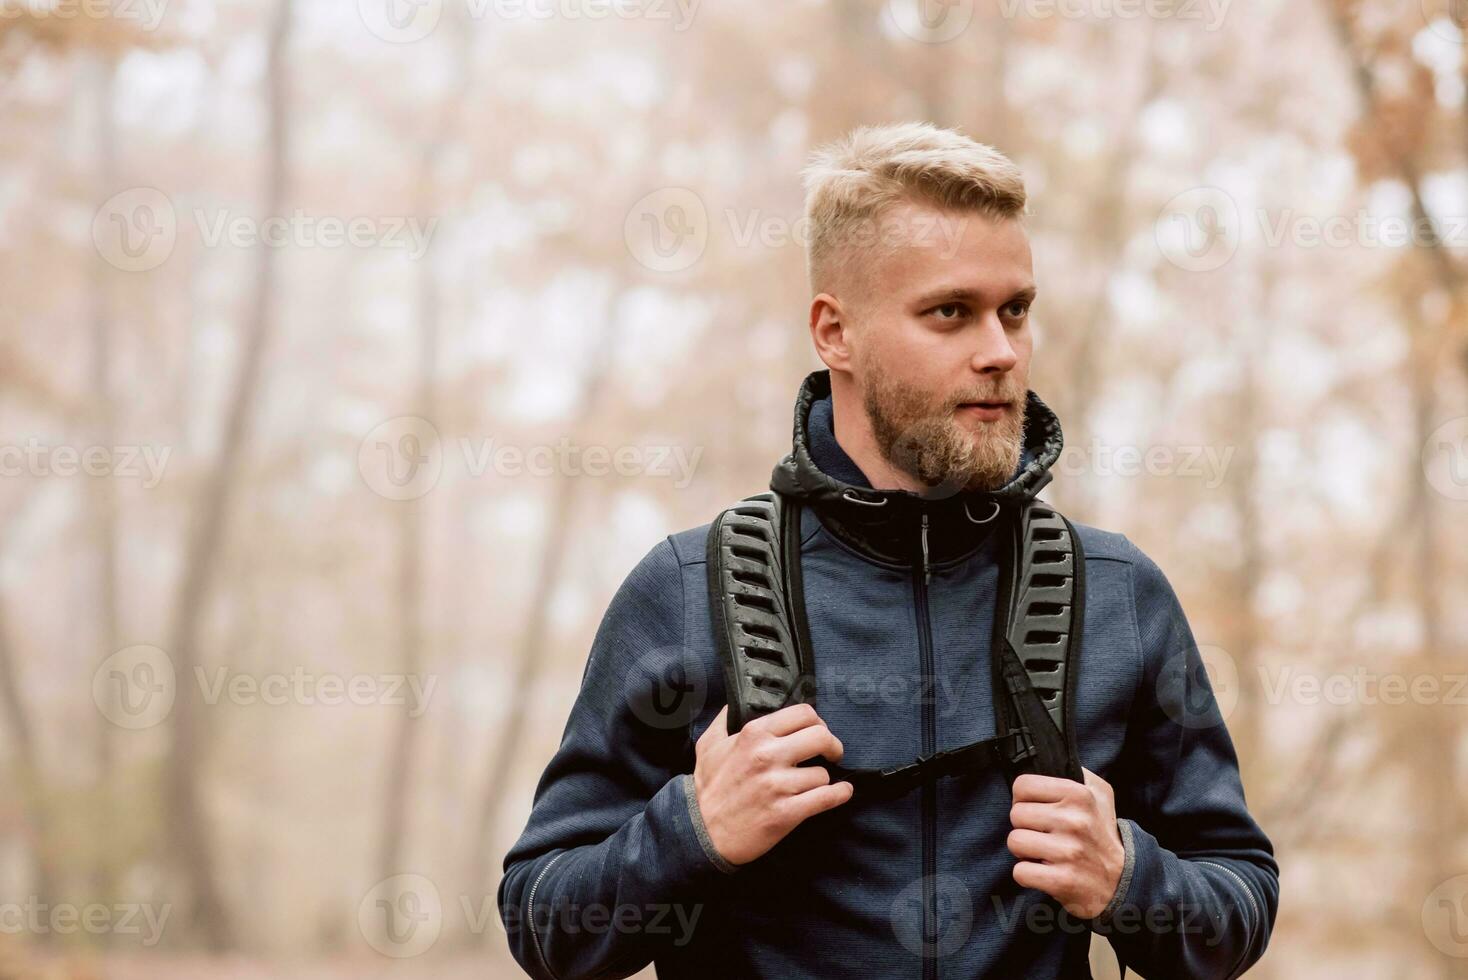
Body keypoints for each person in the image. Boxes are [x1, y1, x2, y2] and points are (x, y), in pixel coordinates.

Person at [499, 121, 1278, 979]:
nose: (1001, 352)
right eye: (951, 313)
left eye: (1015, 310)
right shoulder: (688, 588)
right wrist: (692, 832)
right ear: (835, 333)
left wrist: (1130, 879)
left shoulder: (1117, 591)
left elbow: (1239, 896)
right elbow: (545, 924)